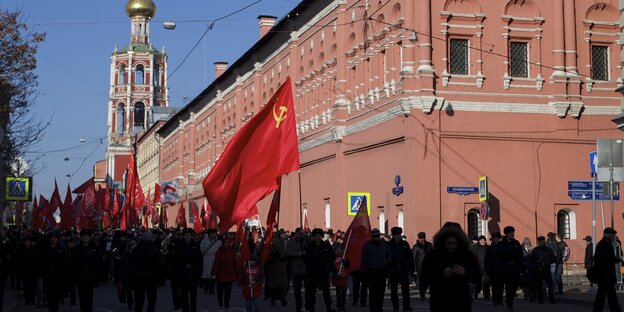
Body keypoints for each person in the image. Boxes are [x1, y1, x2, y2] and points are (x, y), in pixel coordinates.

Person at [421, 224, 479, 311]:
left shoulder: (467, 255)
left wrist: (465, 272)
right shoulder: (433, 254)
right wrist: (441, 273)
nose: (451, 246)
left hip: (461, 300)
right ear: (443, 241)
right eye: (448, 243)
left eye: (454, 243)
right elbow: (424, 276)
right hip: (439, 300)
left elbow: (477, 275)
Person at [303, 228, 335, 312]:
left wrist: (327, 258)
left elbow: (333, 256)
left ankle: (329, 308)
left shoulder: (326, 246)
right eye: (316, 236)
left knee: (326, 292)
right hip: (312, 273)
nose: (318, 237)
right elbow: (305, 258)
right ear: (313, 237)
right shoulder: (309, 246)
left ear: (322, 236)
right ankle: (311, 308)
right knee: (311, 293)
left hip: (324, 272)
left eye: (319, 235)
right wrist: (311, 258)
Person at [361, 228, 391, 312]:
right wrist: (363, 271)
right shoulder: (368, 245)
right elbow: (364, 259)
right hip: (372, 272)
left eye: (377, 236)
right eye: (374, 236)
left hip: (382, 272)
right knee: (373, 292)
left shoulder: (385, 245)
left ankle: (379, 307)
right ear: (372, 237)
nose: (376, 238)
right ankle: (373, 308)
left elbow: (389, 255)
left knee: (381, 292)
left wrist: (387, 262)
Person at [592, 227, 621, 312]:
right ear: (608, 235)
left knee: (603, 295)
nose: (614, 236)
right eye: (613, 235)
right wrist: (616, 260)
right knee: (609, 296)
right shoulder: (606, 245)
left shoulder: (603, 243)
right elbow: (607, 260)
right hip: (606, 275)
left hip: (604, 275)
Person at [131, 231, 160, 312]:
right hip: (151, 277)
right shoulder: (155, 250)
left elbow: (132, 263)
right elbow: (158, 265)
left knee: (139, 300)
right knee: (151, 300)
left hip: (139, 277)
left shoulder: (136, 249)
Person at [175, 228, 203, 312]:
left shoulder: (195, 245)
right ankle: (185, 309)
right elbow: (176, 261)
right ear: (183, 236)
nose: (188, 237)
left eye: (189, 235)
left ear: (191, 236)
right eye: (186, 235)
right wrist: (178, 273)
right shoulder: (179, 246)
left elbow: (199, 261)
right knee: (184, 295)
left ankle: (193, 309)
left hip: (193, 273)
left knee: (193, 295)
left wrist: (199, 274)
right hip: (183, 273)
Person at [496, 226, 524, 311]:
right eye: (511, 233)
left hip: (515, 268)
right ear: (507, 234)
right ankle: (509, 303)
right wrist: (501, 268)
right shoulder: (501, 244)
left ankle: (509, 298)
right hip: (506, 268)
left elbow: (521, 256)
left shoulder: (516, 243)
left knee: (515, 285)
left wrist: (521, 267)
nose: (513, 234)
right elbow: (498, 257)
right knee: (508, 286)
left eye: (513, 233)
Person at [70, 229, 98, 312]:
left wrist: (97, 277)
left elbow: (98, 263)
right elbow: (72, 264)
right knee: (82, 299)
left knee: (89, 298)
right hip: (80, 277)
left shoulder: (95, 248)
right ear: (81, 238)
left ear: (90, 238)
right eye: (84, 236)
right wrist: (73, 277)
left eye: (87, 236)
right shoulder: (75, 249)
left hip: (90, 277)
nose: (85, 238)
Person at [388, 227, 414, 311]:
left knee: (406, 290)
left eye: (398, 235)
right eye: (395, 235)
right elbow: (386, 257)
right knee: (394, 290)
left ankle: (406, 306)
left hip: (403, 269)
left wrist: (412, 269)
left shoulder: (405, 244)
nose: (397, 237)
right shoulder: (389, 245)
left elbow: (410, 257)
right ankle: (395, 306)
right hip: (393, 269)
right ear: (393, 235)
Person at [41, 232, 66, 312]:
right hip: (48, 276)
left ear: (57, 239)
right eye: (52, 238)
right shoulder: (45, 249)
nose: (53, 239)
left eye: (55, 238)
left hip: (58, 277)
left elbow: (63, 263)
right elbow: (42, 262)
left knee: (56, 296)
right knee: (49, 296)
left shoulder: (61, 250)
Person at [286, 228, 309, 312]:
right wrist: (298, 254)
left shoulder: (306, 241)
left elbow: (312, 246)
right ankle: (298, 306)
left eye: (302, 233)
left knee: (308, 289)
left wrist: (306, 236)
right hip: (296, 269)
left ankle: (307, 305)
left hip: (306, 270)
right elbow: (287, 252)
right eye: (299, 233)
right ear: (296, 233)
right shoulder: (291, 242)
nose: (301, 235)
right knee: (297, 290)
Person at [211, 237, 238, 308]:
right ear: (223, 243)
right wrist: (213, 272)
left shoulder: (232, 252)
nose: (227, 244)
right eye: (226, 242)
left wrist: (237, 272)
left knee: (228, 291)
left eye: (229, 242)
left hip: (230, 274)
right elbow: (216, 263)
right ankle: (220, 301)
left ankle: (226, 303)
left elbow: (235, 263)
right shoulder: (219, 252)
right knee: (220, 291)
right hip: (221, 275)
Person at [529, 236, 556, 304]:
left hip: (546, 269)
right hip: (538, 270)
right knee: (539, 285)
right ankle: (540, 300)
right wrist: (537, 262)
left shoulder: (548, 249)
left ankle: (552, 299)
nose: (541, 242)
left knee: (550, 285)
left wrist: (548, 262)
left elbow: (553, 258)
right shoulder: (535, 250)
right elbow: (532, 259)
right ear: (538, 242)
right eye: (540, 241)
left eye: (542, 241)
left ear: (544, 241)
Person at [265, 236, 288, 306]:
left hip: (281, 269)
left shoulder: (282, 247)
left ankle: (283, 300)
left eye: (276, 239)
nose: (275, 240)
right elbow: (265, 256)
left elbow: (285, 256)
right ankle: (272, 300)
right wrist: (272, 256)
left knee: (282, 286)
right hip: (272, 269)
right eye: (273, 239)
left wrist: (279, 254)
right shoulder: (269, 247)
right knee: (272, 287)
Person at [200, 228, 221, 294]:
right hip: (206, 258)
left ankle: (211, 288)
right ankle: (206, 286)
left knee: (213, 274)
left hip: (214, 258)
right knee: (206, 273)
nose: (212, 234)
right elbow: (202, 249)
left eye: (214, 233)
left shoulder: (219, 242)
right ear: (209, 234)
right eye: (211, 233)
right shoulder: (204, 241)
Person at [412, 231, 432, 300]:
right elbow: (413, 259)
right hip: (420, 267)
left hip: (429, 267)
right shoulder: (416, 247)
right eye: (420, 238)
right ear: (418, 239)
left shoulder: (429, 245)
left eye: (423, 238)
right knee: (421, 283)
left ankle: (429, 293)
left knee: (429, 281)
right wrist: (414, 269)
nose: (422, 239)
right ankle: (422, 294)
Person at [485, 232, 503, 307]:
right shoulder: (489, 248)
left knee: (501, 286)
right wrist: (488, 269)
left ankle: (500, 300)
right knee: (494, 286)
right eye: (494, 239)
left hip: (501, 270)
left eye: (497, 239)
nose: (496, 240)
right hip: (493, 270)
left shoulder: (502, 247)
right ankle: (495, 300)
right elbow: (487, 260)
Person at [469, 235, 489, 300]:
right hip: (478, 268)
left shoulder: (488, 248)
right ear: (479, 241)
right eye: (481, 240)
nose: (482, 241)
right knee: (478, 282)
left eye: (484, 240)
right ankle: (476, 293)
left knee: (487, 282)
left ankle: (486, 295)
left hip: (486, 267)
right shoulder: (474, 248)